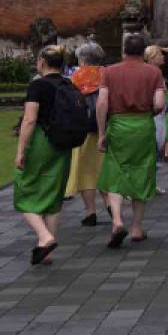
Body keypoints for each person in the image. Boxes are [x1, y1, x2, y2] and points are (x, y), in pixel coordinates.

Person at [96, 33, 166, 247]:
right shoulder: (153, 72)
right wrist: (146, 114)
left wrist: (101, 133)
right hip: (143, 125)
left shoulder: (109, 72)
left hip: (118, 125)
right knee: (141, 171)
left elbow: (101, 103)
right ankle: (136, 227)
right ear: (144, 52)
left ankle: (117, 220)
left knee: (115, 171)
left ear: (124, 50)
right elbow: (160, 104)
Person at [14, 46, 75, 266]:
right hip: (64, 142)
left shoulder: (38, 86)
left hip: (42, 140)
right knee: (54, 192)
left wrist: (21, 150)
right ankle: (45, 249)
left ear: (42, 62)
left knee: (24, 190)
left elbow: (29, 120)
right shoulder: (69, 84)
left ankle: (45, 236)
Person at [66, 43, 109, 226]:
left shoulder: (74, 77)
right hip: (106, 128)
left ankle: (90, 211)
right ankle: (110, 206)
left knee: (86, 172)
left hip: (82, 130)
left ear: (82, 59)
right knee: (106, 170)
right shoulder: (107, 74)